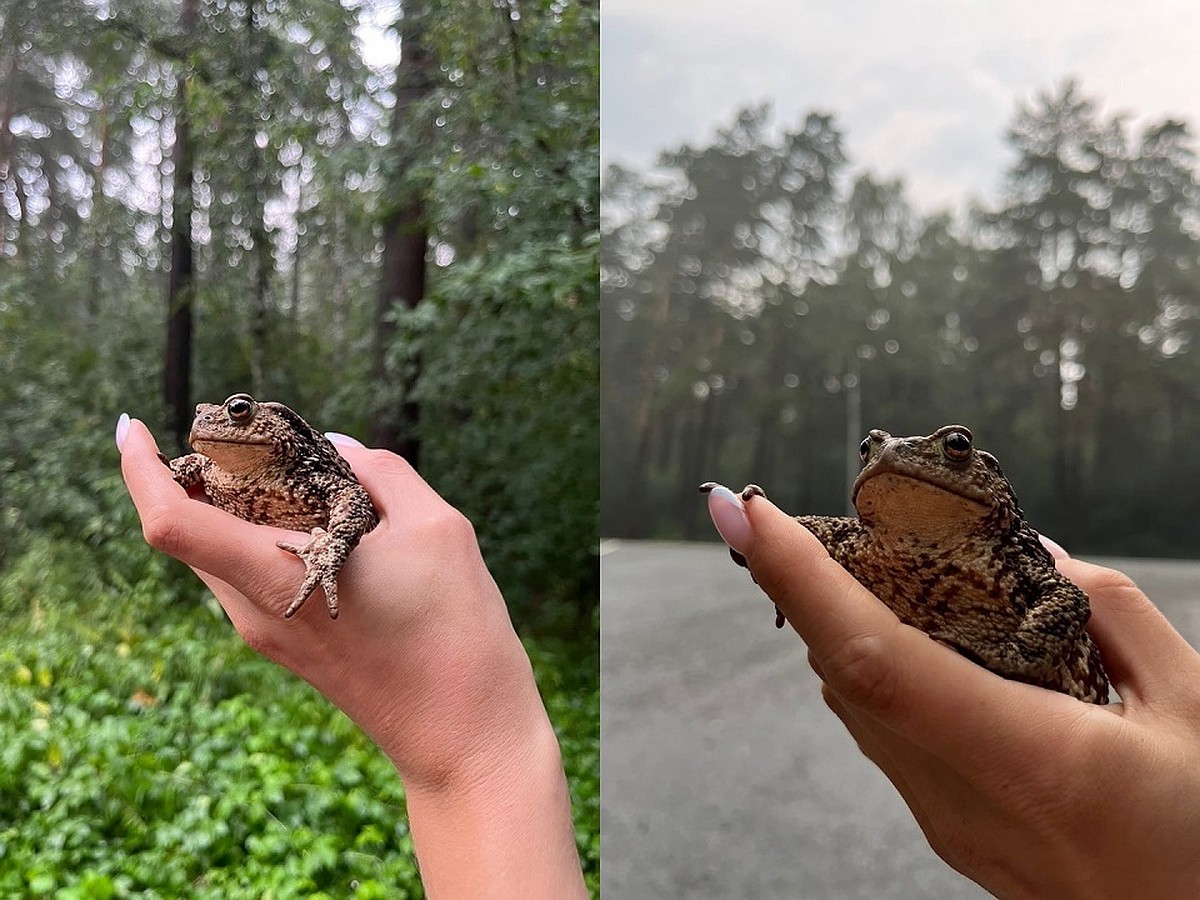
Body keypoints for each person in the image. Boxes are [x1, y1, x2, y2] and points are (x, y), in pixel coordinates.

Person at [116, 414, 587, 899]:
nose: (212, 422)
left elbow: (352, 498)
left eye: (235, 411)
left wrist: (331, 548)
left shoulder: (300, 472)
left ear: (273, 429)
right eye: (203, 416)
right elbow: (189, 468)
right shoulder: (211, 467)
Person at [705, 484, 1200, 899]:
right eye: (869, 450)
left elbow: (1067, 595)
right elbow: (799, 543)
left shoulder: (1006, 548)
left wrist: (1022, 654)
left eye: (955, 449)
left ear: (992, 486)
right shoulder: (863, 539)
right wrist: (764, 537)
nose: (894, 457)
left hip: (1063, 691)